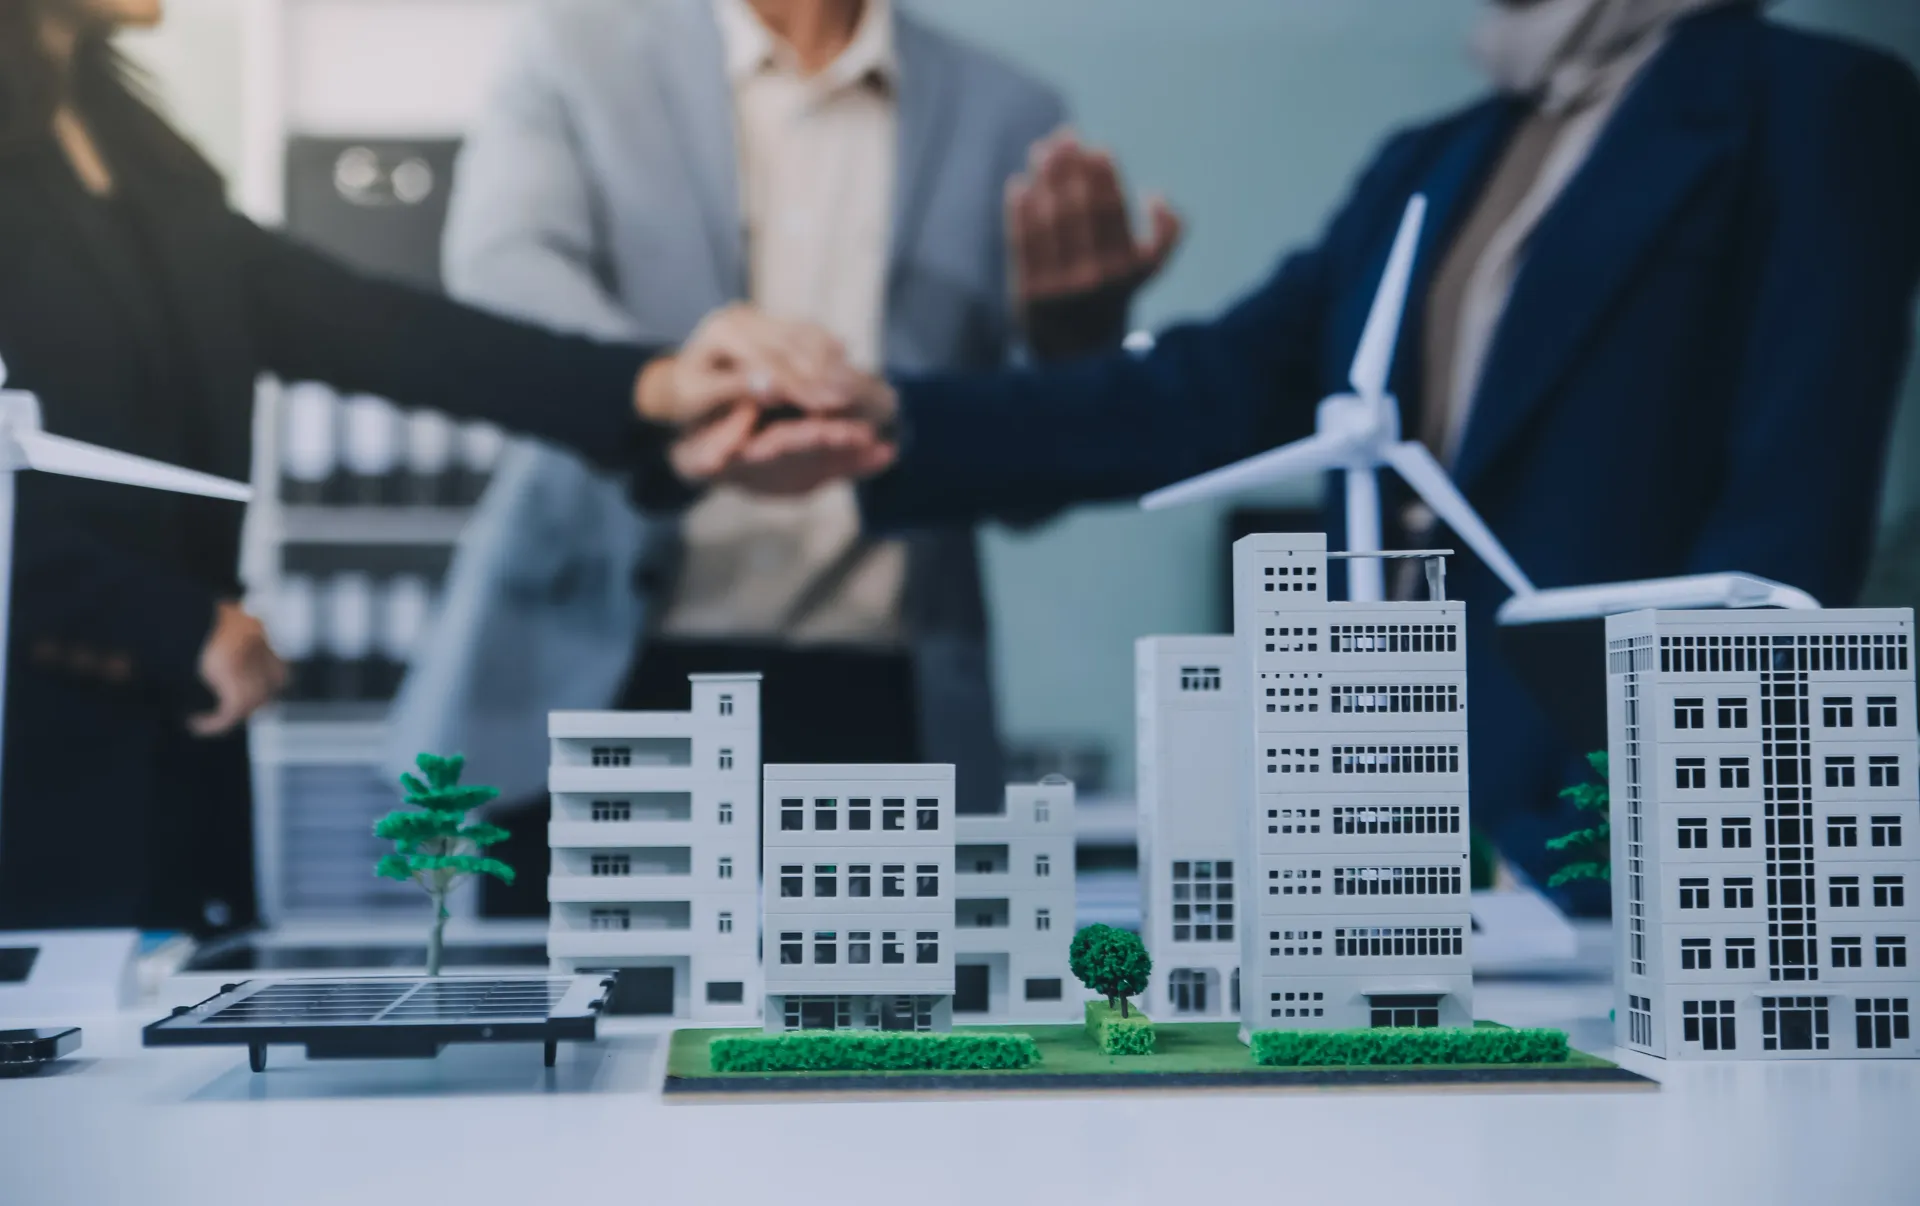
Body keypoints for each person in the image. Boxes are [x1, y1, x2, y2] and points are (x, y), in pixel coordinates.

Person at [673, 0, 1920, 895]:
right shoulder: (1433, 161)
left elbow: (1785, 522)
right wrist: (893, 417)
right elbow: (1213, 393)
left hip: (1598, 821)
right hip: (1372, 798)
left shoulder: (1812, 110)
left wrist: (1693, 844)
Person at [0, 0, 868, 931]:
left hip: (179, 744)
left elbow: (379, 329)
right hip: (42, 746)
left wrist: (658, 386)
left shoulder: (138, 156)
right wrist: (166, 622)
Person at [395, 0, 1179, 912]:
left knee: (872, 1031)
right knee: (572, 1036)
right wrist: (669, 385)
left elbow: (1026, 487)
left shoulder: (1010, 111)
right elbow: (502, 280)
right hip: (599, 669)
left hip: (885, 691)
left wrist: (1072, 345)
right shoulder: (576, 52)